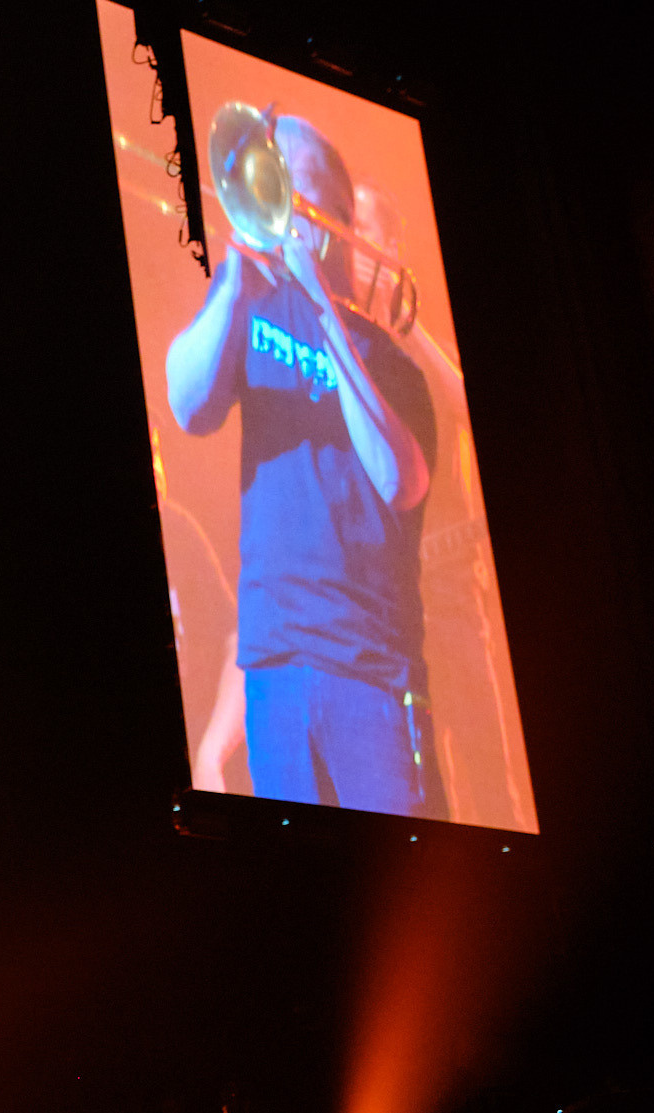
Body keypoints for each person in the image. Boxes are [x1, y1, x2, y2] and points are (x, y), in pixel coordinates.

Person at [168, 115, 437, 815]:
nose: (276, 204)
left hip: (369, 670)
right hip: (274, 666)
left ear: (331, 218)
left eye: (290, 186)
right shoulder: (250, 306)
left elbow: (401, 481)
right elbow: (187, 405)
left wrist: (322, 307)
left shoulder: (394, 365)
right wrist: (235, 277)